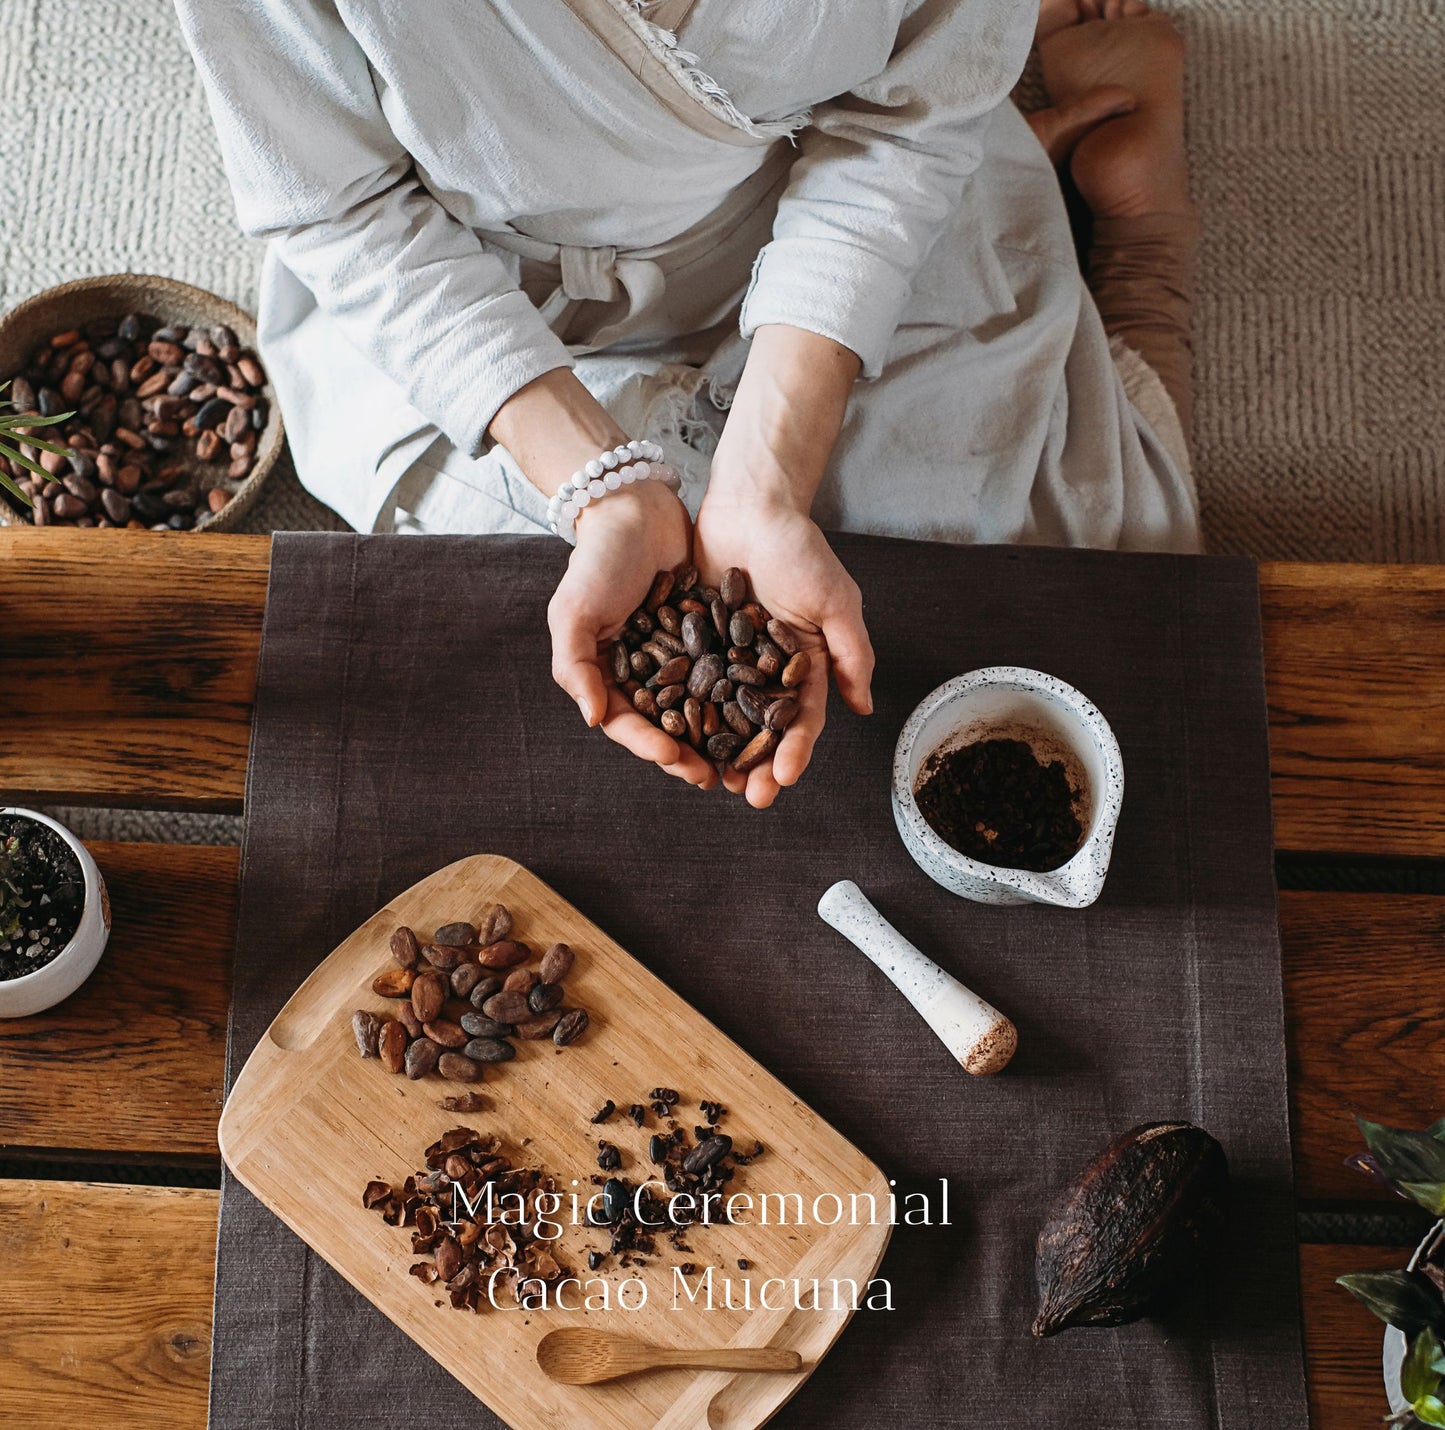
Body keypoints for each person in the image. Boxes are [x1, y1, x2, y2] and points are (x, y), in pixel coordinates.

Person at [177, 0, 1200, 807]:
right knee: (474, 639)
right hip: (485, 288)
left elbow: (898, 135)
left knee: (1069, 585)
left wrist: (765, 478)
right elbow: (343, 205)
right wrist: (604, 487)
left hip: (809, 207)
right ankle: (1051, 127)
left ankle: (1144, 238)